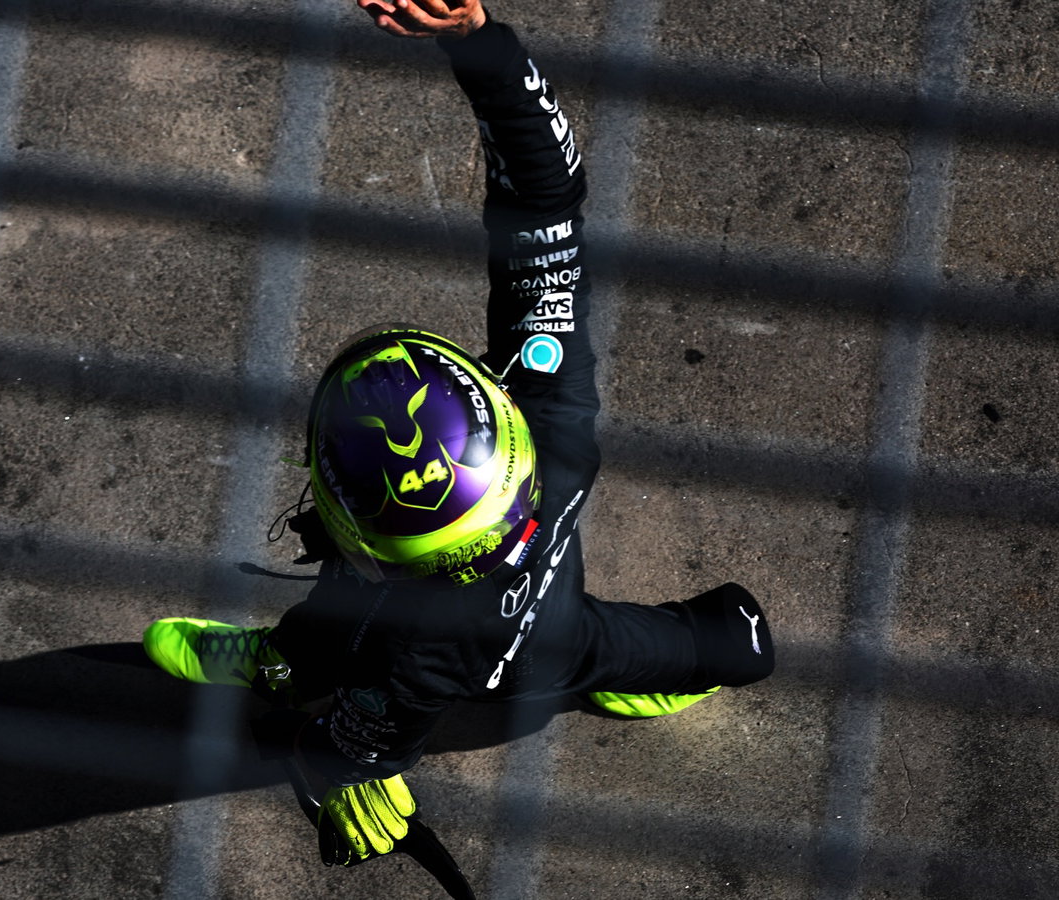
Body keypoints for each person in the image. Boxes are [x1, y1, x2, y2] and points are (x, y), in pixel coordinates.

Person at [144, 0, 775, 865]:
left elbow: (374, 736)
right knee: (710, 644)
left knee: (335, 641)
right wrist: (476, 41)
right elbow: (549, 200)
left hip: (490, 666)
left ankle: (283, 662)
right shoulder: (552, 423)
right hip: (553, 629)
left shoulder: (414, 653)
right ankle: (701, 659)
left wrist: (336, 760)